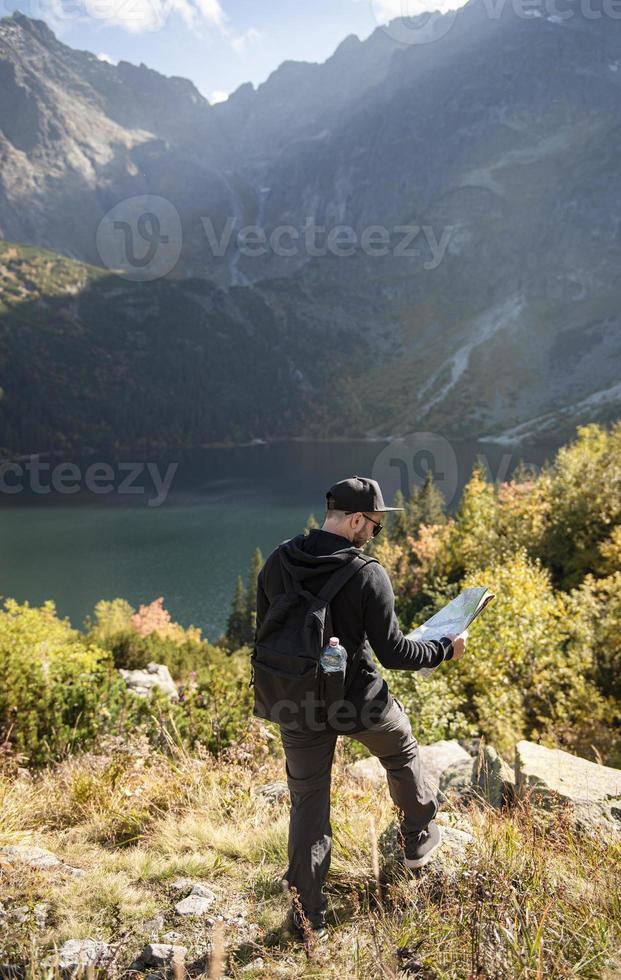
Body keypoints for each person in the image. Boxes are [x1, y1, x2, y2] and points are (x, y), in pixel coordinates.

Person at [255, 475, 467, 939]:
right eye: (374, 525)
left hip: (296, 703)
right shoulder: (367, 573)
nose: (375, 535)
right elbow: (395, 654)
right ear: (354, 520)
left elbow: (265, 633)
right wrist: (443, 649)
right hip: (358, 702)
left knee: (308, 800)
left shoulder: (278, 560)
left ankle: (306, 919)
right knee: (401, 750)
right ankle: (416, 838)